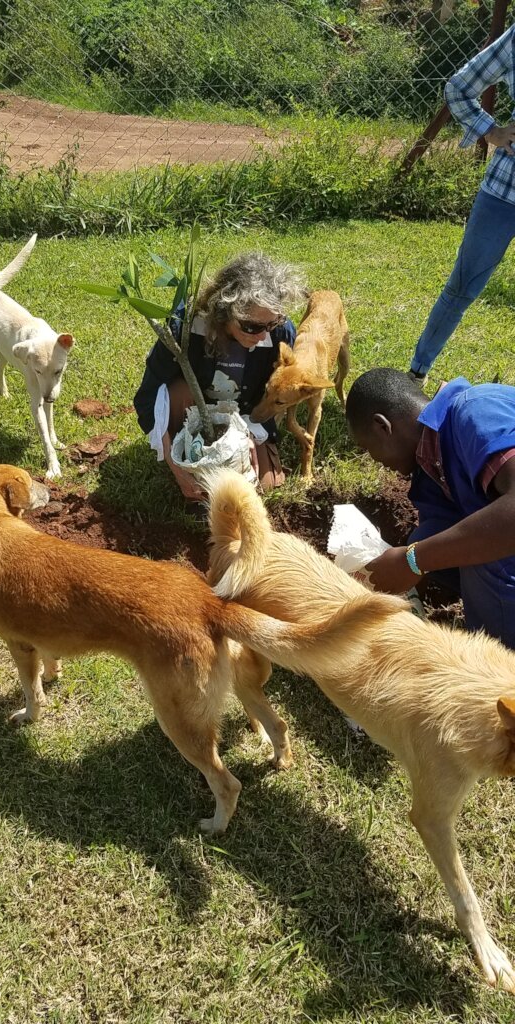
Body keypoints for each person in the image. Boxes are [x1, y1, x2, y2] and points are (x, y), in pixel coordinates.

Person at [345, 367, 515, 650]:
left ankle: (499, 663)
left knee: (482, 548)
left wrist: (413, 561)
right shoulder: (430, 467)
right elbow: (434, 539)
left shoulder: (475, 411)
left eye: (367, 448)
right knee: (428, 537)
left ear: (382, 426)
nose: (373, 459)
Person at [134, 252, 305, 500]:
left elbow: (270, 398)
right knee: (199, 490)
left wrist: (247, 436)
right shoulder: (185, 327)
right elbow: (148, 397)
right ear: (224, 311)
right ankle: (186, 450)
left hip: (244, 416)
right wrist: (174, 463)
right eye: (251, 326)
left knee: (260, 486)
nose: (261, 335)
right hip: (192, 415)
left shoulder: (280, 334)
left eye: (271, 323)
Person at [409, 24, 515, 383]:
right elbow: (459, 87)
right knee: (461, 287)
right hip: (503, 192)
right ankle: (417, 375)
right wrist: (492, 131)